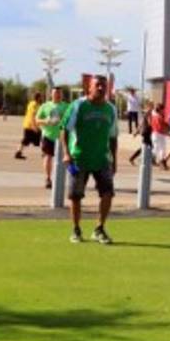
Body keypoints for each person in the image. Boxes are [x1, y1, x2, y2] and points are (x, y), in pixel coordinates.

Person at [61, 76, 118, 244]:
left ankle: (99, 229)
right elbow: (64, 130)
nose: (101, 88)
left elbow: (113, 136)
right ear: (89, 87)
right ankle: (76, 229)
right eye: (97, 85)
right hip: (79, 158)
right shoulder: (78, 106)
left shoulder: (111, 109)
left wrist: (113, 160)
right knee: (75, 196)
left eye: (104, 86)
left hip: (102, 159)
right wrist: (66, 153)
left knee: (108, 193)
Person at [36, 87, 71, 189]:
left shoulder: (66, 106)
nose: (58, 95)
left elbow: (72, 118)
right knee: (48, 157)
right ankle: (48, 178)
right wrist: (46, 121)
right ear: (51, 94)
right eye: (55, 93)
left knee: (68, 158)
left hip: (63, 137)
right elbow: (37, 120)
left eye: (60, 93)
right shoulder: (45, 106)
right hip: (48, 136)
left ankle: (72, 178)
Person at [15, 92, 43, 159]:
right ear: (38, 97)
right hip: (31, 126)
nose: (42, 98)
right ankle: (44, 153)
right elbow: (32, 115)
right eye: (41, 97)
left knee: (26, 140)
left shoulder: (32, 103)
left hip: (29, 125)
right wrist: (34, 127)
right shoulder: (34, 105)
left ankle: (18, 153)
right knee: (42, 139)